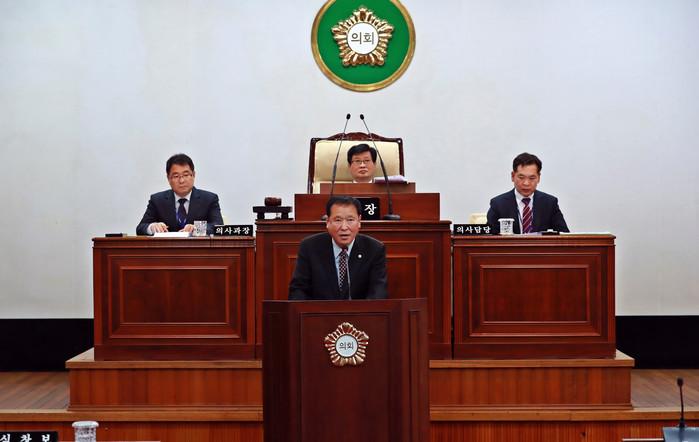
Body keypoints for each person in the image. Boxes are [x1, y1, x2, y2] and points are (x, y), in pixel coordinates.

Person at [288, 195, 388, 300]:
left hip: (360, 311)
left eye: (350, 220)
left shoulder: (374, 249)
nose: (344, 227)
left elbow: (378, 293)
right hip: (320, 310)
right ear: (327, 222)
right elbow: (298, 290)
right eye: (338, 220)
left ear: (359, 221)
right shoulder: (309, 247)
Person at [136, 153, 223, 235]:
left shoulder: (209, 199)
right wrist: (152, 227)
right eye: (176, 176)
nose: (181, 181)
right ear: (168, 178)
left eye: (186, 175)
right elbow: (140, 228)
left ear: (193, 175)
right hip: (167, 246)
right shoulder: (157, 200)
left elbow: (218, 227)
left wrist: (197, 229)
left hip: (197, 246)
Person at [486, 152, 569, 234]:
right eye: (521, 178)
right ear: (513, 176)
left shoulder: (549, 203)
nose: (526, 183)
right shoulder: (498, 204)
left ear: (538, 177)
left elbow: (564, 235)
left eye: (532, 178)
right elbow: (489, 237)